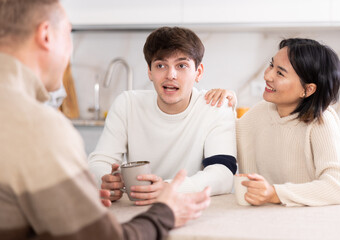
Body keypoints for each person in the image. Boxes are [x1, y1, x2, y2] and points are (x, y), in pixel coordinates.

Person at [0, 0, 211, 239]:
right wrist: (166, 213)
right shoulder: (36, 126)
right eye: (68, 34)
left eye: (181, 65)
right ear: (46, 35)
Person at [88, 27, 237, 205]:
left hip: (193, 209)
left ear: (198, 72)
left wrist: (169, 189)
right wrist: (104, 180)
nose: (170, 75)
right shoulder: (127, 104)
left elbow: (223, 173)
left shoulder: (215, 107)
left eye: (181, 65)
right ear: (150, 72)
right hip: (137, 210)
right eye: (161, 65)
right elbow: (100, 160)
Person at [205, 38, 340, 207]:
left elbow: (339, 187)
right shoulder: (261, 111)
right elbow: (224, 137)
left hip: (311, 222)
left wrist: (274, 194)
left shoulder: (321, 121)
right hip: (268, 217)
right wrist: (226, 106)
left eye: (280, 73)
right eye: (271, 65)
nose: (267, 75)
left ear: (307, 90)